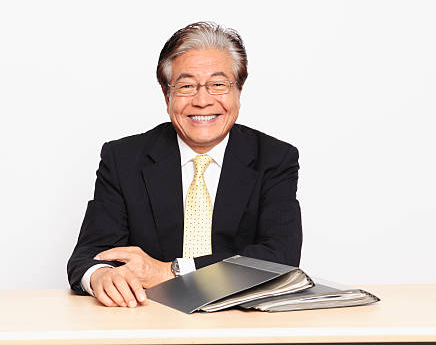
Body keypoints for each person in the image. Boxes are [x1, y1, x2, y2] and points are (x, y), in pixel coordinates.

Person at [67, 21, 302, 308]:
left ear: (238, 92)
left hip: (240, 321)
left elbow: (279, 257)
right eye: (187, 86)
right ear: (167, 96)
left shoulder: (274, 158)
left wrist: (169, 271)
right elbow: (89, 255)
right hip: (149, 320)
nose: (202, 100)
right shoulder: (123, 158)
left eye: (218, 85)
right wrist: (101, 276)